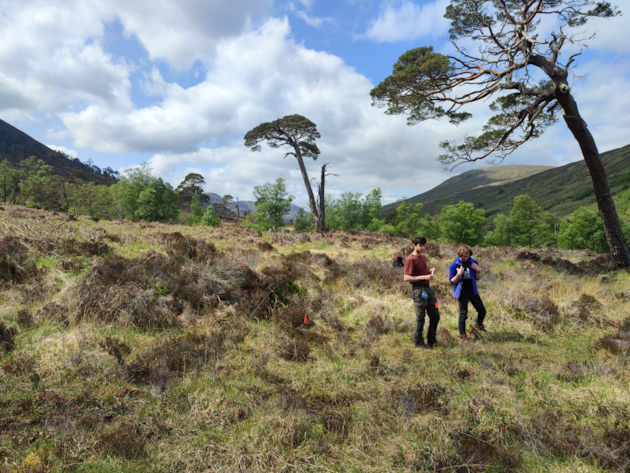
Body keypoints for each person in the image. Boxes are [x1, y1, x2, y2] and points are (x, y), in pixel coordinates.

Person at [403, 236, 439, 348]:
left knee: (435, 315)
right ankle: (419, 343)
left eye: (424, 245)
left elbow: (421, 273)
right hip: (418, 289)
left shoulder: (422, 257)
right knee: (420, 317)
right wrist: (425, 276)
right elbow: (407, 277)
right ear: (414, 245)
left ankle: (431, 340)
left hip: (427, 288)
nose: (423, 247)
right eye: (420, 245)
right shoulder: (410, 259)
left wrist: (430, 272)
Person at [449, 244, 486, 342]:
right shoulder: (454, 265)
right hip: (462, 292)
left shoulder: (473, 262)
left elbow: (477, 278)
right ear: (460, 255)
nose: (466, 258)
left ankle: (478, 325)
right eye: (464, 256)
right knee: (463, 314)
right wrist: (458, 274)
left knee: (482, 311)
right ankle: (463, 336)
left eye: (467, 256)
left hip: (473, 290)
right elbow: (452, 281)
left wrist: (477, 270)